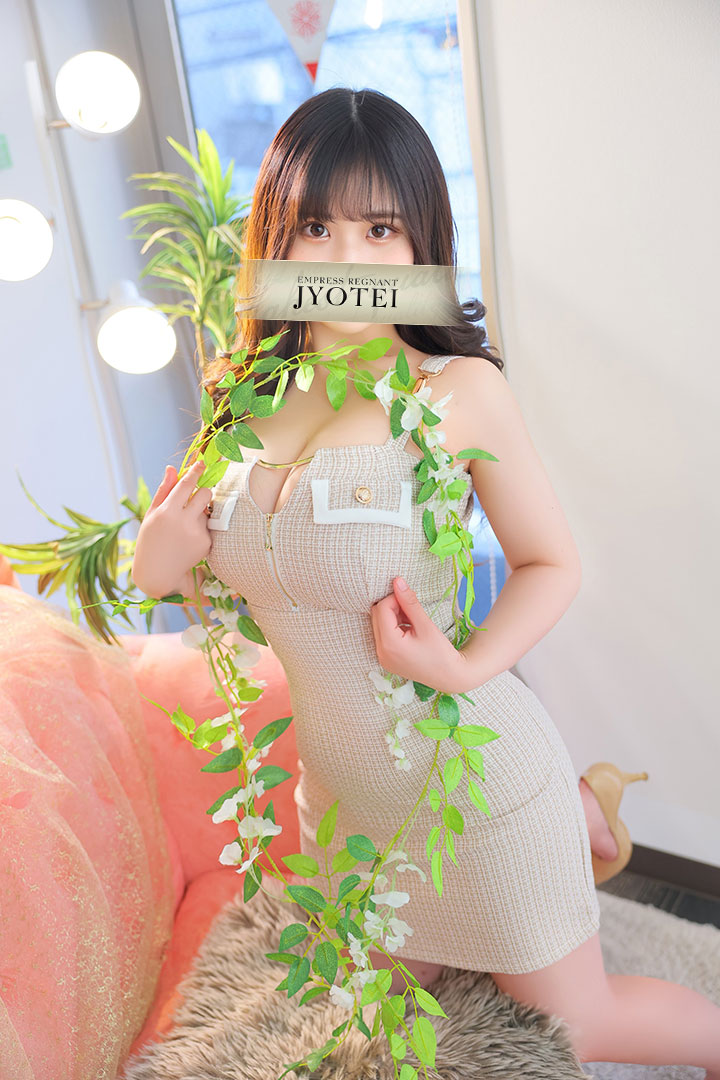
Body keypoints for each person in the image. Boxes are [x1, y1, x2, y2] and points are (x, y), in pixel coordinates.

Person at [132, 88, 720, 1073]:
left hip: (471, 782)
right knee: (383, 1020)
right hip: (343, 803)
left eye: (379, 229)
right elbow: (208, 569)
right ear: (277, 240)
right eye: (316, 227)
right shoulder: (243, 399)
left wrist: (461, 666)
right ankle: (583, 819)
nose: (346, 262)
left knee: (578, 1024)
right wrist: (157, 554)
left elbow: (552, 564)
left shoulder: (458, 393)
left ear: (421, 246)